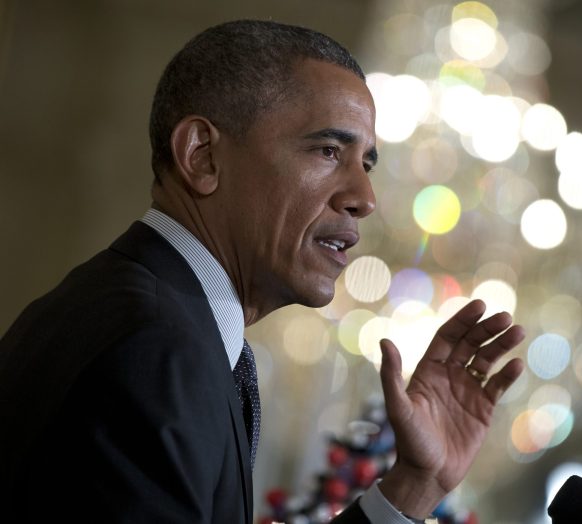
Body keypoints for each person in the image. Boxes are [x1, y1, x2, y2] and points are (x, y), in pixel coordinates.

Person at [0, 20, 525, 523]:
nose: (364, 199)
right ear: (202, 156)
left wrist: (416, 483)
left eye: (365, 164)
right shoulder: (157, 349)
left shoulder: (136, 314)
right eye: (327, 150)